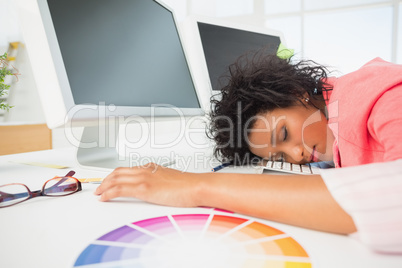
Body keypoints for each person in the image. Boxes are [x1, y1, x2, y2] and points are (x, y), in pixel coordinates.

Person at [94, 53, 402, 253]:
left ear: (298, 94)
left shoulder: (387, 99)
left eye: (283, 134)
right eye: (279, 157)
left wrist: (195, 185)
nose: (295, 155)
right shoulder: (337, 125)